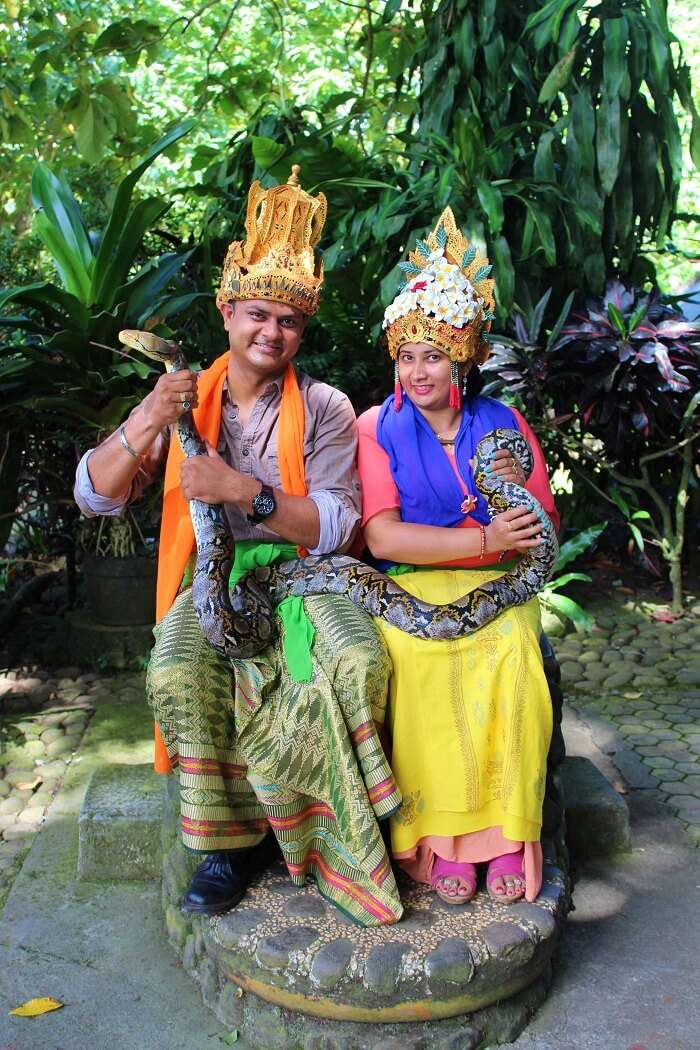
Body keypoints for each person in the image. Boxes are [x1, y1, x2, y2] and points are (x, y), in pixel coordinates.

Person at [74, 167, 403, 927]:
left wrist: (241, 491)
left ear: (301, 331)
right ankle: (229, 843)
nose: (271, 333)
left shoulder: (323, 406)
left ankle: (331, 834)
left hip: (305, 574)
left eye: (287, 322)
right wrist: (148, 420)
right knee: (180, 667)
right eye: (257, 315)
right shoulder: (185, 400)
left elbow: (336, 524)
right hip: (211, 579)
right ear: (227, 313)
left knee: (357, 660)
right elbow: (95, 493)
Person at [356, 207, 559, 906]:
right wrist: (485, 540)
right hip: (411, 585)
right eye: (407, 356)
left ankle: (504, 837)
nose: (418, 371)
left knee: (511, 657)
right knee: (418, 662)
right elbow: (382, 538)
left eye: (433, 355)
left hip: (501, 588)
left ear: (462, 357)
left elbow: (537, 527)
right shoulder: (374, 427)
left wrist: (504, 546)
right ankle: (438, 844)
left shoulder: (504, 425)